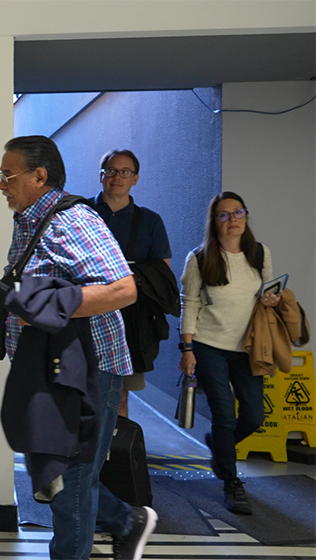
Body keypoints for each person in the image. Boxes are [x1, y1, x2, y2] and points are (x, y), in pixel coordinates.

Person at [0, 135, 154, 560]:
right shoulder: (30, 220)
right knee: (57, 474)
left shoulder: (74, 221)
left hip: (88, 371)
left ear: (39, 176)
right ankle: (127, 521)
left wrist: (46, 306)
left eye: (8, 175)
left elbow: (123, 290)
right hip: (50, 370)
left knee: (71, 480)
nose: (1, 185)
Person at [179, 192, 273, 516]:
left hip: (247, 348)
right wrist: (187, 348)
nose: (233, 220)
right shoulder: (200, 258)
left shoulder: (259, 254)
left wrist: (271, 300)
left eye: (238, 212)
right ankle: (232, 483)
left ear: (245, 216)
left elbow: (264, 295)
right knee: (224, 414)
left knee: (255, 416)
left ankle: (220, 446)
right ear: (214, 221)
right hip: (209, 346)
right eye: (224, 215)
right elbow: (189, 302)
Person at [90, 150, 176, 417]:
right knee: (80, 393)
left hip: (130, 321)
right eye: (111, 170)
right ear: (101, 175)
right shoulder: (81, 213)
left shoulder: (150, 221)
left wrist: (128, 277)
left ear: (135, 178)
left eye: (125, 172)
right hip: (85, 313)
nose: (117, 177)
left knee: (119, 396)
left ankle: (113, 444)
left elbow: (163, 271)